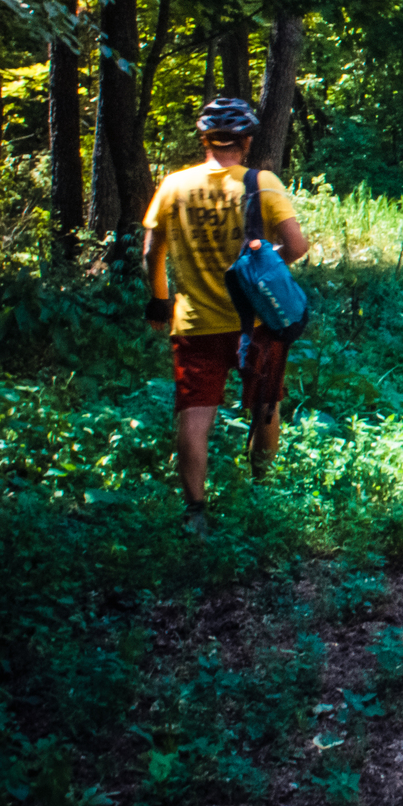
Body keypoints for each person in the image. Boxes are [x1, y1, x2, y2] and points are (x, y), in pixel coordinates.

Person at [141, 97, 311, 533]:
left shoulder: (174, 186)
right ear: (247, 140)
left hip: (194, 322)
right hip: (257, 321)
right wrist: (264, 267)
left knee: (195, 415)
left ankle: (195, 513)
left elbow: (151, 251)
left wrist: (159, 301)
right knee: (265, 405)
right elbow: (296, 246)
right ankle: (262, 491)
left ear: (205, 139)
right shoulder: (262, 183)